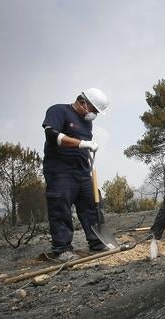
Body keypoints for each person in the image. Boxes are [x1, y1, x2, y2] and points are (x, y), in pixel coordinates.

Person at [41, 88, 110, 262]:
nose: (94, 114)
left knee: (93, 205)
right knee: (61, 208)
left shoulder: (87, 123)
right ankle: (62, 249)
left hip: (83, 171)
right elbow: (52, 135)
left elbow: (85, 147)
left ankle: (97, 242)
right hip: (60, 171)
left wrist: (89, 157)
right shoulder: (58, 110)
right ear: (83, 102)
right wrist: (82, 144)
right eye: (93, 110)